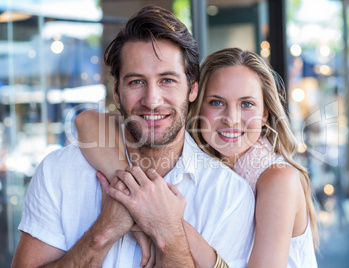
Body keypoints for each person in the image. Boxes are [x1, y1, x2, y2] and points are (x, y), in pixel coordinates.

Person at [12, 6, 255, 268]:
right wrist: (104, 231)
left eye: (167, 80)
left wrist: (167, 233)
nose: (152, 101)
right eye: (136, 82)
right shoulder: (58, 171)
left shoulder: (230, 194)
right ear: (116, 92)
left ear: (192, 88)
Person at [76, 48, 319, 267]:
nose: (231, 119)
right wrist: (137, 194)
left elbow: (161, 218)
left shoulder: (278, 178)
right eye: (216, 102)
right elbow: (86, 121)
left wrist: (155, 217)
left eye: (246, 104)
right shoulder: (199, 154)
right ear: (196, 103)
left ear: (265, 113)